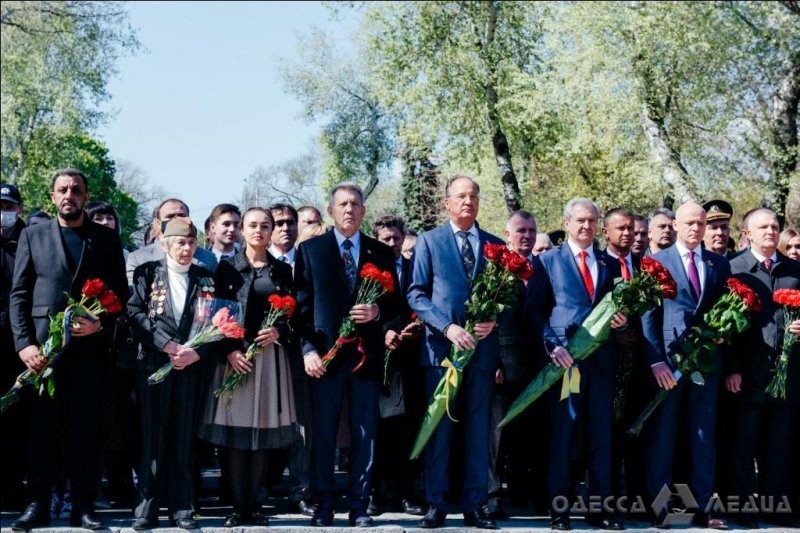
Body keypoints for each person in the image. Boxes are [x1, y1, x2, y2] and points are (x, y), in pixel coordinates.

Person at [9, 169, 128, 531]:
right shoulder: (32, 235)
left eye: (76, 190)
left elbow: (121, 295)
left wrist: (101, 323)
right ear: (52, 196)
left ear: (86, 197)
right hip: (44, 354)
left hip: (89, 351)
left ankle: (83, 505)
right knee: (42, 429)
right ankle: (39, 504)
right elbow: (18, 295)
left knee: (84, 430)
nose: (69, 195)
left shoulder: (105, 240)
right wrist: (24, 344)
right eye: (63, 190)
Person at [295, 183, 400, 527]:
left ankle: (359, 505)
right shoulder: (311, 250)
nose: (349, 210)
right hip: (326, 357)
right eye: (342, 204)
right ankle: (324, 503)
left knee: (364, 434)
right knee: (323, 434)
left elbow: (397, 305)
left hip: (365, 357)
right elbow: (301, 308)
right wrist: (309, 349)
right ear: (331, 211)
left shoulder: (380, 253)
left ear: (364, 211)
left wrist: (377, 313)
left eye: (356, 204)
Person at [407, 175, 504, 530]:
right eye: (461, 196)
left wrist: (493, 319)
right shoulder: (429, 242)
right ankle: (437, 504)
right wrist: (446, 327)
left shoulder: (495, 245)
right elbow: (416, 294)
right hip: (441, 352)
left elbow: (506, 298)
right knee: (440, 430)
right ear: (446, 203)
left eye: (474, 196)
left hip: (481, 354)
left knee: (478, 431)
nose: (468, 201)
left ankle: (476, 505)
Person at [524, 198, 626, 531]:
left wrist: (620, 320)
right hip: (564, 361)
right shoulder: (548, 262)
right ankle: (560, 510)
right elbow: (534, 311)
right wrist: (551, 345)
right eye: (580, 221)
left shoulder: (608, 264)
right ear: (566, 223)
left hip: (601, 363)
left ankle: (599, 509)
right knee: (563, 438)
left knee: (601, 436)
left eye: (592, 221)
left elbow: (613, 308)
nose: (587, 227)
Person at [199, 208, 300, 527]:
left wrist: (279, 332)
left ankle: (253, 507)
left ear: (272, 231)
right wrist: (229, 351)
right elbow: (214, 317)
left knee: (260, 435)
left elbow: (295, 318)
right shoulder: (226, 269)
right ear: (242, 229)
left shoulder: (283, 271)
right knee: (235, 436)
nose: (259, 230)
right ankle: (237, 507)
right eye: (253, 225)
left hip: (269, 359)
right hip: (236, 359)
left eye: (265, 226)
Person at [125, 217, 224, 530]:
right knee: (152, 438)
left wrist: (197, 352)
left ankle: (183, 508)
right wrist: (165, 345)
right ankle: (146, 508)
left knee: (182, 439)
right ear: (166, 244)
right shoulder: (146, 273)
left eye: (191, 243)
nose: (186, 248)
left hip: (190, 366)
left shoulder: (206, 278)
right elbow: (135, 313)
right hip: (155, 364)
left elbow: (216, 322)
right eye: (180, 242)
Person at [641, 201, 731, 530]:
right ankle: (661, 508)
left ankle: (705, 507)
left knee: (703, 434)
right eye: (689, 222)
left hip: (706, 363)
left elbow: (723, 310)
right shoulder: (655, 260)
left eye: (700, 222)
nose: (695, 228)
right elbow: (648, 315)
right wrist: (655, 361)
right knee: (664, 436)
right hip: (669, 363)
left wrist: (723, 337)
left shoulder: (718, 264)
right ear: (675, 225)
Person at [723, 208, 800, 528]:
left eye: (775, 226)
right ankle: (743, 507)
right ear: (747, 234)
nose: (771, 231)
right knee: (743, 445)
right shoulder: (731, 268)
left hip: (787, 376)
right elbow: (722, 328)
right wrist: (732, 368)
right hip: (747, 375)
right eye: (763, 227)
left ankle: (775, 506)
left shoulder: (795, 270)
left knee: (778, 446)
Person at [490, 211, 544, 517]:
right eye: (521, 230)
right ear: (507, 234)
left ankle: (525, 491)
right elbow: (487, 318)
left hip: (537, 364)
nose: (527, 236)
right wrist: (494, 360)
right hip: (503, 364)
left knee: (531, 430)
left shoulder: (543, 268)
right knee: (498, 433)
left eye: (531, 231)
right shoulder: (495, 269)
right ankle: (493, 495)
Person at [370, 214, 425, 516]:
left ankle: (408, 492)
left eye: (396, 238)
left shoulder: (416, 266)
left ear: (404, 236)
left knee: (410, 428)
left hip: (413, 357)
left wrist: (416, 327)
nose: (392, 244)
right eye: (385, 239)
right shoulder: (370, 271)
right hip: (381, 360)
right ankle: (380, 492)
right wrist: (383, 333)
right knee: (382, 428)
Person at [265, 202, 316, 516]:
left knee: (301, 425)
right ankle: (263, 484)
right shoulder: (260, 263)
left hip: (301, 353)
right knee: (265, 421)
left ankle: (301, 488)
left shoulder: (309, 259)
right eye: (279, 223)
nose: (286, 228)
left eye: (290, 222)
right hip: (266, 354)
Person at [1, 183, 28, 511]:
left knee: (17, 420)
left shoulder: (30, 238)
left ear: (19, 208)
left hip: (21, 344)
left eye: (9, 205)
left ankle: (13, 487)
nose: (4, 211)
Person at [126, 198, 217, 286]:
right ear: (158, 223)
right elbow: (134, 295)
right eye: (170, 216)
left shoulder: (207, 259)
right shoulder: (138, 259)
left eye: (181, 215)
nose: (176, 220)